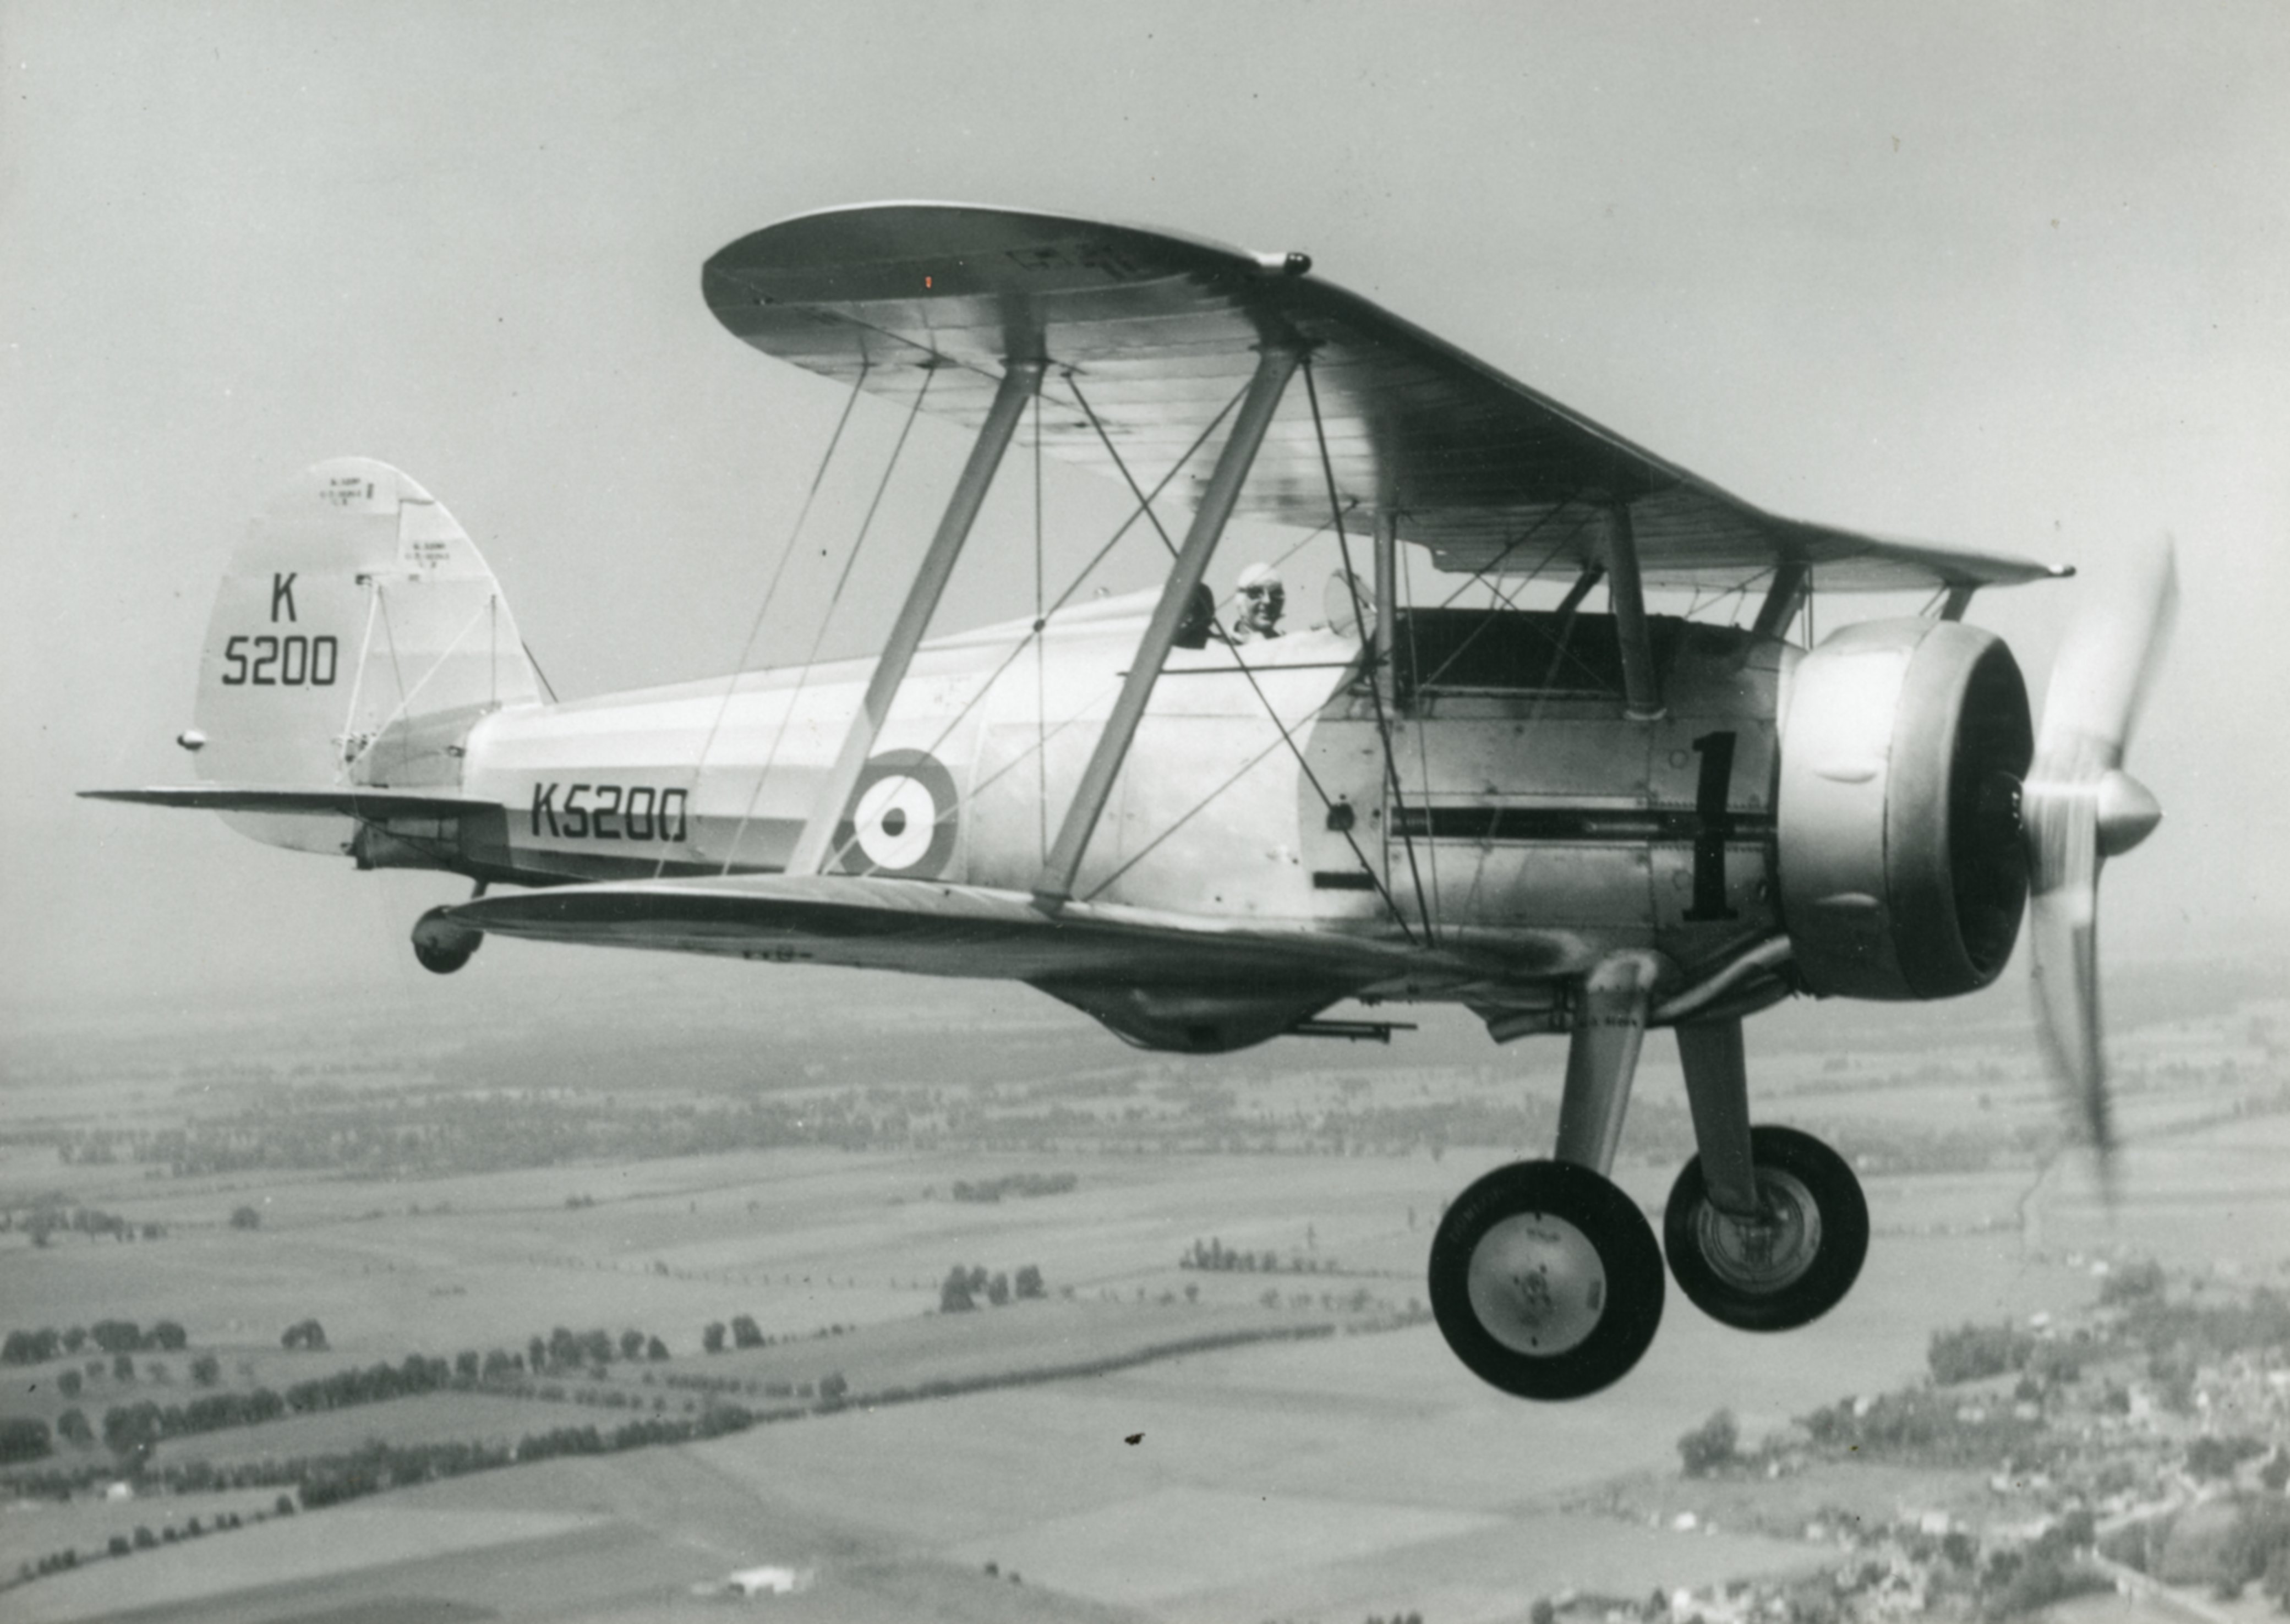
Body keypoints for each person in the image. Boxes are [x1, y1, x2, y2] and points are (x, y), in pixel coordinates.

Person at [1233, 562, 1286, 642]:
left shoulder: (1289, 647)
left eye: (1275, 594)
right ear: (1241, 600)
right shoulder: (1219, 647)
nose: (1267, 601)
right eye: (1256, 593)